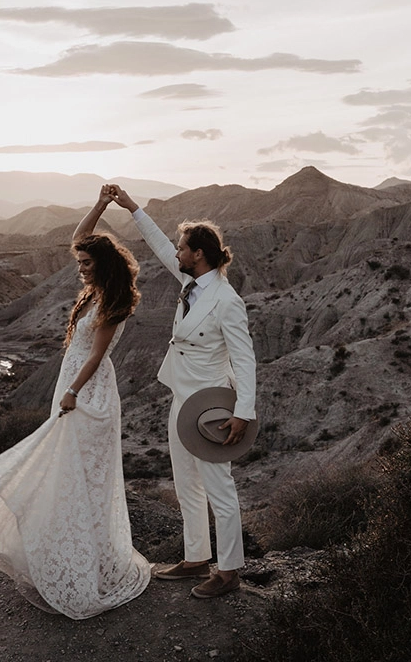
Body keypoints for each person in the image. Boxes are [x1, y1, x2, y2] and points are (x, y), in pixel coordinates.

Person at [0, 188, 151, 619]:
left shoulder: (112, 303)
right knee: (66, 475)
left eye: (86, 264)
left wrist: (72, 393)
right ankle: (64, 556)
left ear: (103, 267)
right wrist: (101, 205)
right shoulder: (96, 287)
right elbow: (80, 237)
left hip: (89, 393)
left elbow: (97, 356)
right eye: (81, 262)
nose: (79, 267)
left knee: (78, 478)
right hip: (74, 385)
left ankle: (88, 568)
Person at [108, 184, 256, 599]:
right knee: (185, 484)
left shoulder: (226, 300)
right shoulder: (191, 283)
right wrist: (133, 207)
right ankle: (196, 559)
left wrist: (243, 412)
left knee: (219, 489)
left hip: (210, 408)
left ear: (199, 254)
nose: (176, 253)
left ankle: (228, 572)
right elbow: (157, 245)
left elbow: (245, 360)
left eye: (182, 248)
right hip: (180, 398)